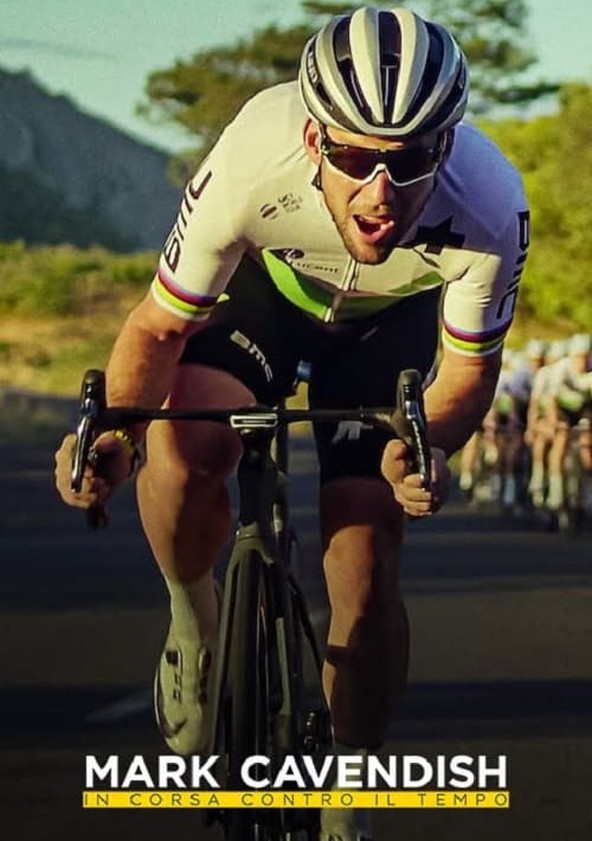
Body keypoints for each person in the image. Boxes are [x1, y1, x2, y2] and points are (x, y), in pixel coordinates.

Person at [54, 7, 529, 840]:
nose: (380, 194)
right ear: (313, 139)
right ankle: (193, 623)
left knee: (366, 555)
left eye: (410, 160)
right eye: (353, 157)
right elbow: (158, 329)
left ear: (447, 147)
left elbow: (465, 374)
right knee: (183, 442)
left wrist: (425, 452)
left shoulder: (490, 204)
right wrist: (116, 436)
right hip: (267, 298)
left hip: (390, 328)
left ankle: (352, 784)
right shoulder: (252, 155)